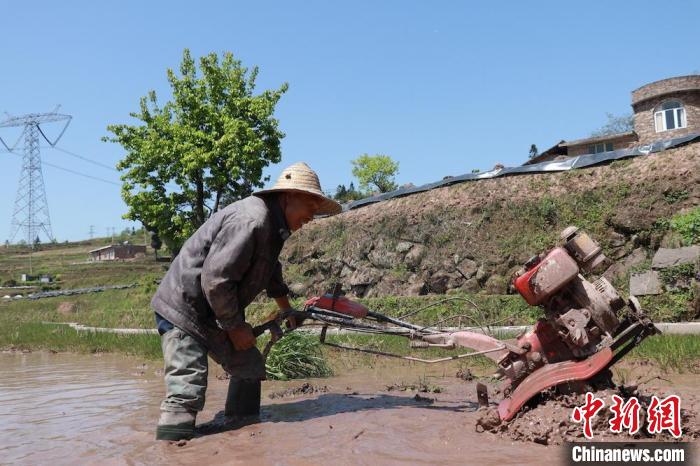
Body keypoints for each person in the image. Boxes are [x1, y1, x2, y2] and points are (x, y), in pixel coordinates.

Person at [152, 162, 341, 441]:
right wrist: (234, 326)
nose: (311, 217)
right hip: (185, 309)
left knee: (249, 365)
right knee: (186, 389)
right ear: (288, 197)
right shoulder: (251, 220)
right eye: (310, 208)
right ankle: (172, 448)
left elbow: (270, 272)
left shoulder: (273, 228)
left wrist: (286, 309)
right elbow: (216, 280)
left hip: (213, 311)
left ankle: (241, 432)